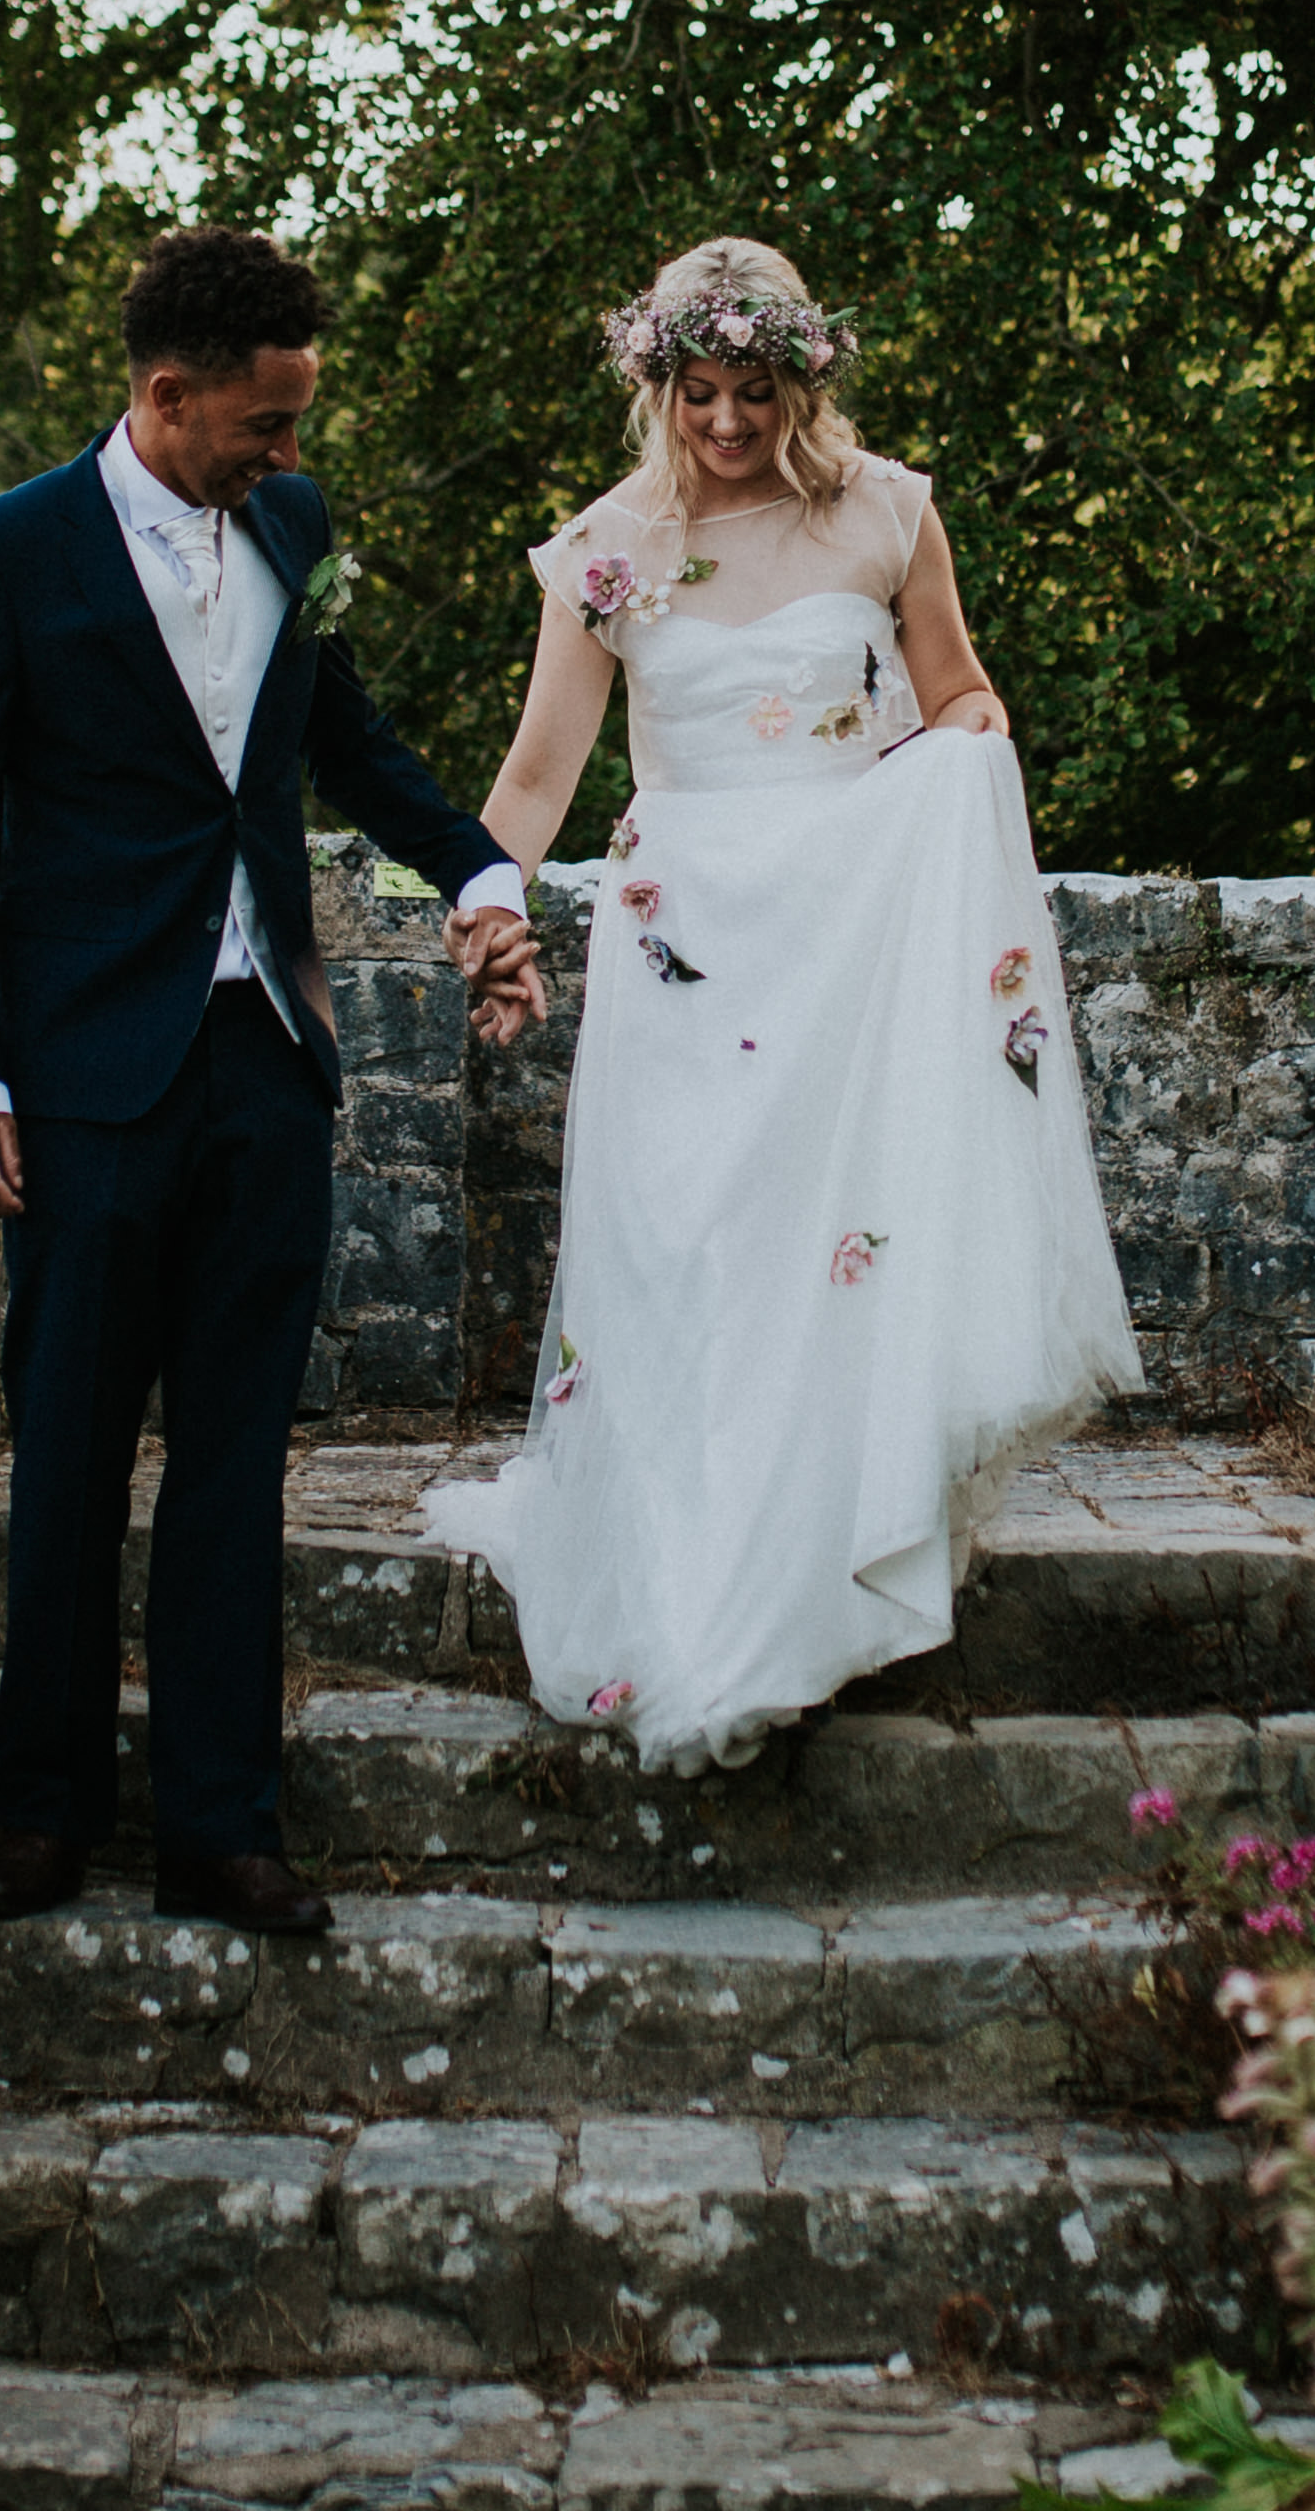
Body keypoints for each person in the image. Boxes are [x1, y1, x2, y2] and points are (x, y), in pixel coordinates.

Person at [0, 225, 547, 1934]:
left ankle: (221, 1825)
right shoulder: (5, 552)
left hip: (268, 1057)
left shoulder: (295, 530)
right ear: (168, 394)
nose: (292, 454)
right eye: (266, 423)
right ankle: (41, 1809)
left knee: (239, 1455)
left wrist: (479, 874)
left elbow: (352, 742)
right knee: (68, 1448)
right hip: (84, 1070)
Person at [418, 237, 1141, 1772]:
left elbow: (960, 696)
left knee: (836, 1251)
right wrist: (488, 898)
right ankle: (694, 1567)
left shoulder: (888, 510)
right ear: (658, 384)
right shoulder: (604, 552)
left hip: (849, 931)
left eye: (755, 392)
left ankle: (831, 1548)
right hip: (690, 937)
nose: (728, 424)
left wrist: (960, 762)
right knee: (690, 1252)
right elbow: (544, 771)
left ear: (802, 382)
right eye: (701, 393)